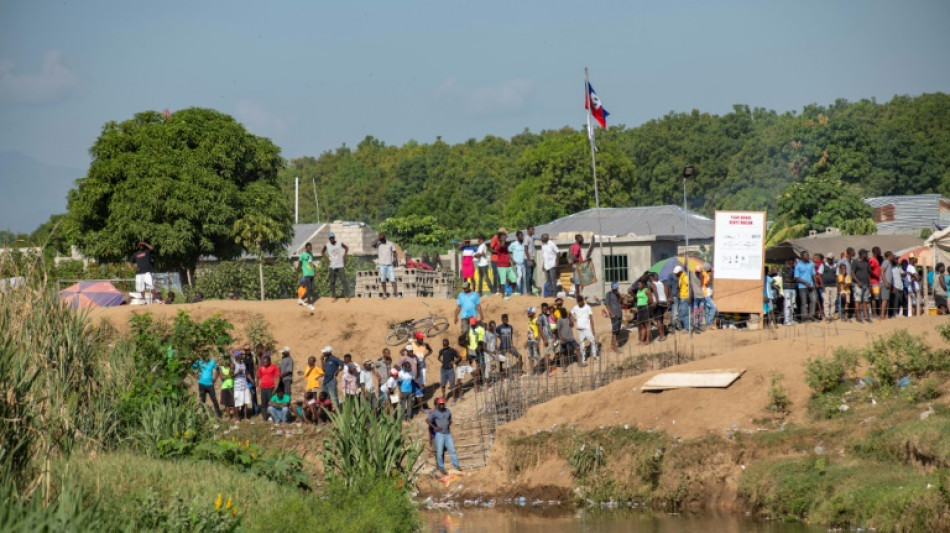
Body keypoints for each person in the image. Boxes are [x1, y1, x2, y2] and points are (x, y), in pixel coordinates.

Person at [428, 397, 460, 475]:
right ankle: (441, 468)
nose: (442, 405)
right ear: (438, 405)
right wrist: (435, 427)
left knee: (452, 450)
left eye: (443, 404)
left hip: (448, 434)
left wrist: (449, 422)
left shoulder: (447, 411)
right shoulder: (435, 412)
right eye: (441, 404)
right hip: (440, 434)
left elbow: (450, 418)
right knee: (439, 452)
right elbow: (427, 420)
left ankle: (456, 466)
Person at [321, 232, 350, 302]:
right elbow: (322, 252)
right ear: (329, 238)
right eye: (330, 238)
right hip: (332, 266)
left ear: (334, 237)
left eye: (332, 237)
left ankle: (346, 296)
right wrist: (326, 260)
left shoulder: (339, 243)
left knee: (343, 280)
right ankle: (334, 297)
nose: (332, 239)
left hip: (340, 264)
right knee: (332, 281)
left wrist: (345, 256)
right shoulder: (327, 245)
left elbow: (346, 248)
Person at [193, 352, 222, 417]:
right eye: (204, 356)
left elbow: (218, 369)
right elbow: (193, 367)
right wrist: (196, 375)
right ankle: (203, 415)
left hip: (209, 384)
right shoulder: (200, 362)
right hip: (201, 384)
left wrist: (215, 378)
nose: (205, 357)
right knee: (202, 400)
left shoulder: (212, 362)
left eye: (206, 356)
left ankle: (219, 415)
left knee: (214, 399)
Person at [372, 233, 400, 299]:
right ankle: (384, 294)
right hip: (382, 265)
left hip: (390, 265)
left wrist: (396, 261)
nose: (382, 240)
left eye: (383, 239)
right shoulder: (378, 244)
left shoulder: (390, 243)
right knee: (383, 279)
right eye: (381, 239)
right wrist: (378, 239)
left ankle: (396, 293)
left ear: (385, 237)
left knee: (393, 279)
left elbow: (394, 252)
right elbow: (372, 245)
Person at [794, 252, 817, 322]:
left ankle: (811, 316)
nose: (808, 257)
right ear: (802, 256)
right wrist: (805, 283)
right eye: (806, 256)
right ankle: (804, 318)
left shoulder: (811, 264)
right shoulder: (798, 265)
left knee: (813, 300)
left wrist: (815, 283)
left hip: (811, 285)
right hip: (802, 286)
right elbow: (796, 278)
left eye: (808, 255)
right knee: (804, 302)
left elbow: (813, 274)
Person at [492, 229, 515, 299]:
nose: (505, 237)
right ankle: (503, 295)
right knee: (503, 281)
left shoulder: (505, 246)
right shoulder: (498, 245)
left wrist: (512, 260)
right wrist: (503, 240)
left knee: (514, 279)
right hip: (501, 266)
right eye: (503, 236)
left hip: (508, 265)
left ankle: (513, 292)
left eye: (505, 236)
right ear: (500, 238)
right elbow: (501, 246)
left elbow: (507, 253)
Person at [437, 338, 461, 403]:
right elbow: (438, 357)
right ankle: (444, 397)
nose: (444, 346)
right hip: (443, 370)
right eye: (443, 345)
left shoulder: (452, 350)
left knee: (452, 384)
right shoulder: (441, 351)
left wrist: (454, 361)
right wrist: (442, 362)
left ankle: (454, 398)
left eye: (445, 345)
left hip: (450, 369)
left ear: (448, 344)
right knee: (443, 384)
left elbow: (459, 357)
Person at [851, 249, 872, 322]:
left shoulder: (866, 263)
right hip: (858, 284)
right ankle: (858, 316)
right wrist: (857, 282)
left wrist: (870, 283)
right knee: (858, 300)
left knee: (865, 300)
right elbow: (852, 273)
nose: (867, 255)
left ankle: (866, 316)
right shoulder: (855, 262)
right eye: (865, 253)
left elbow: (868, 273)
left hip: (866, 284)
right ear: (862, 254)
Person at [257, 354, 280, 420]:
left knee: (272, 403)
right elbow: (259, 378)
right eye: (263, 362)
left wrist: (276, 386)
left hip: (271, 388)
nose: (265, 363)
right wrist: (258, 387)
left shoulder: (274, 367)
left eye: (266, 362)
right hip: (263, 388)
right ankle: (264, 417)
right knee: (263, 403)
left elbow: (278, 377)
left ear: (269, 361)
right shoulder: (261, 368)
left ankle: (274, 416)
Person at [603, 282, 623, 352]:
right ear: (612, 287)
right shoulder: (608, 294)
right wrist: (611, 313)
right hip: (614, 315)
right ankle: (614, 347)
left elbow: (621, 302)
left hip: (619, 314)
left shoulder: (617, 294)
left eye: (616, 288)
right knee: (614, 331)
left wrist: (619, 295)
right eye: (614, 288)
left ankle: (612, 345)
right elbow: (607, 304)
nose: (615, 289)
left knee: (617, 331)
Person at [232, 352, 252, 421]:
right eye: (240, 355)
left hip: (245, 385)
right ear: (236, 356)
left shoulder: (243, 363)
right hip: (238, 387)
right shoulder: (233, 364)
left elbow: (246, 372)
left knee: (246, 402)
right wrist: (237, 373)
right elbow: (231, 375)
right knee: (237, 403)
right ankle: (237, 418)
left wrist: (252, 380)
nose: (241, 356)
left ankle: (246, 417)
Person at [674, 265, 694, 331]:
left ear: (680, 272)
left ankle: (687, 328)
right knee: (680, 312)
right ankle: (682, 326)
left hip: (685, 297)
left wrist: (690, 297)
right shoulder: (680, 277)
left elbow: (690, 286)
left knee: (685, 313)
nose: (675, 274)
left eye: (676, 273)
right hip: (681, 297)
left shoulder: (685, 277)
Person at [298, 242, 316, 312]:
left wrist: (315, 271)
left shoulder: (311, 254)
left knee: (311, 289)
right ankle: (309, 304)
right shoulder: (302, 255)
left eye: (311, 247)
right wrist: (297, 272)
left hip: (311, 273)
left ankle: (301, 299)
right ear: (306, 248)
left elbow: (311, 264)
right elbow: (299, 264)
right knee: (309, 289)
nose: (310, 249)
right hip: (306, 274)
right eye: (309, 247)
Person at [820, 254, 838, 321]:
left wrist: (837, 285)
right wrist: (822, 285)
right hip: (826, 286)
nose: (830, 260)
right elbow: (819, 275)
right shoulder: (823, 265)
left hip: (833, 286)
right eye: (829, 259)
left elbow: (836, 276)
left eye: (831, 259)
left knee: (833, 301)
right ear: (827, 259)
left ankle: (832, 315)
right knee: (826, 301)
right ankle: (827, 316)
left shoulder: (836, 266)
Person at [634, 279, 652, 345]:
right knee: (641, 324)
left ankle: (648, 340)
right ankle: (642, 340)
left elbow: (650, 300)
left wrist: (646, 304)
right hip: (639, 308)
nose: (638, 285)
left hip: (644, 307)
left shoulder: (646, 290)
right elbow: (637, 298)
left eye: (639, 284)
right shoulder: (638, 291)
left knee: (646, 324)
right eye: (638, 284)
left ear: (643, 285)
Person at [510, 231, 527, 295]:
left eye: (522, 235)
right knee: (519, 276)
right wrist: (512, 260)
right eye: (520, 235)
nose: (522, 237)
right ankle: (517, 290)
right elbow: (507, 252)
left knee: (524, 278)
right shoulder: (513, 244)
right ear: (517, 236)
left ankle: (522, 292)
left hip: (524, 264)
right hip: (517, 264)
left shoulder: (524, 244)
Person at [524, 226, 537, 296]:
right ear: (528, 230)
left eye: (533, 229)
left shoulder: (531, 238)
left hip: (531, 258)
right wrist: (530, 260)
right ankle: (528, 291)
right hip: (527, 259)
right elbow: (526, 250)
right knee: (528, 276)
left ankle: (530, 291)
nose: (533, 230)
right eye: (532, 229)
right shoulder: (526, 238)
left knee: (531, 276)